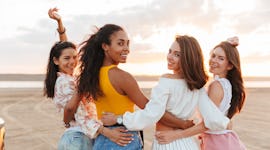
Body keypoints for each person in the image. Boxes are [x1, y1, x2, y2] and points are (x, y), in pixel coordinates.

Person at [49, 8, 196, 150]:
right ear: (105, 46)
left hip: (101, 140)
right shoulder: (121, 77)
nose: (126, 49)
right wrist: (181, 123)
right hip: (123, 138)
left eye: (127, 43)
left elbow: (65, 51)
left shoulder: (90, 75)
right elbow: (152, 110)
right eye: (120, 43)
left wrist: (60, 26)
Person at [101, 35, 231, 150]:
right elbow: (214, 119)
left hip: (166, 143)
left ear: (187, 59)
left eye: (177, 54)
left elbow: (150, 115)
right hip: (188, 144)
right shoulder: (198, 86)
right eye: (170, 52)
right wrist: (225, 122)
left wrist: (119, 118)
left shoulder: (166, 82)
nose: (170, 57)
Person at [155, 37, 246, 150]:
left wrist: (175, 135)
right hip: (225, 139)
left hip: (217, 143)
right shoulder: (226, 84)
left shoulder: (216, 86)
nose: (214, 61)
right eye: (213, 56)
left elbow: (209, 123)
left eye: (221, 58)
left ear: (230, 65)